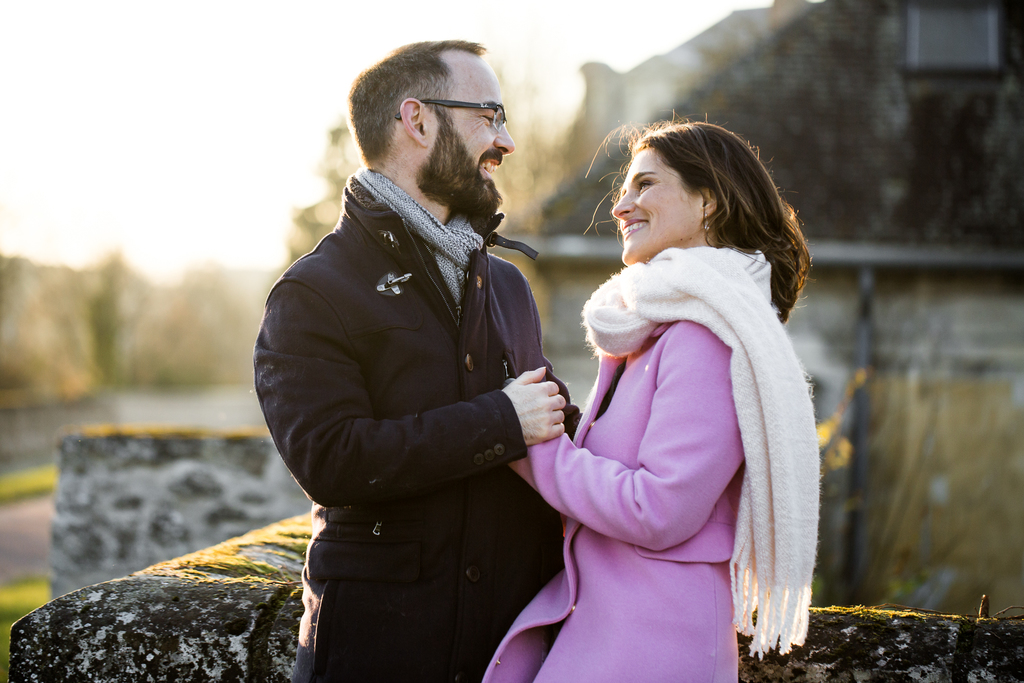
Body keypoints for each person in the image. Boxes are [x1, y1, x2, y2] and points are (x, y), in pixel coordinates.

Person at [253, 40, 579, 683]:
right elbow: (332, 460)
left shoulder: (510, 287)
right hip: (374, 655)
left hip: (510, 654)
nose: (506, 142)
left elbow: (541, 439)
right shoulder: (314, 292)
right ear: (418, 119)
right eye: (490, 116)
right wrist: (501, 422)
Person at [482, 121, 821, 683]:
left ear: (708, 202)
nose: (621, 206)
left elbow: (658, 507)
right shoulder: (654, 329)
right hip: (608, 624)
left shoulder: (705, 336)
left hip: (657, 637)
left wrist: (525, 441)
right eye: (624, 188)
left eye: (645, 185)